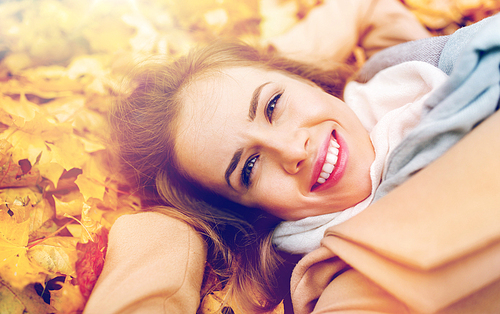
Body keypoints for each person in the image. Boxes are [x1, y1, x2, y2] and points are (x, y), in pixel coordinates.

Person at [84, 6, 500, 314]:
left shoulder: (395, 84)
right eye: (248, 169)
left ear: (304, 77)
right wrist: (164, 229)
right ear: (253, 213)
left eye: (273, 105)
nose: (293, 149)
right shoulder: (348, 280)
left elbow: (362, 8)